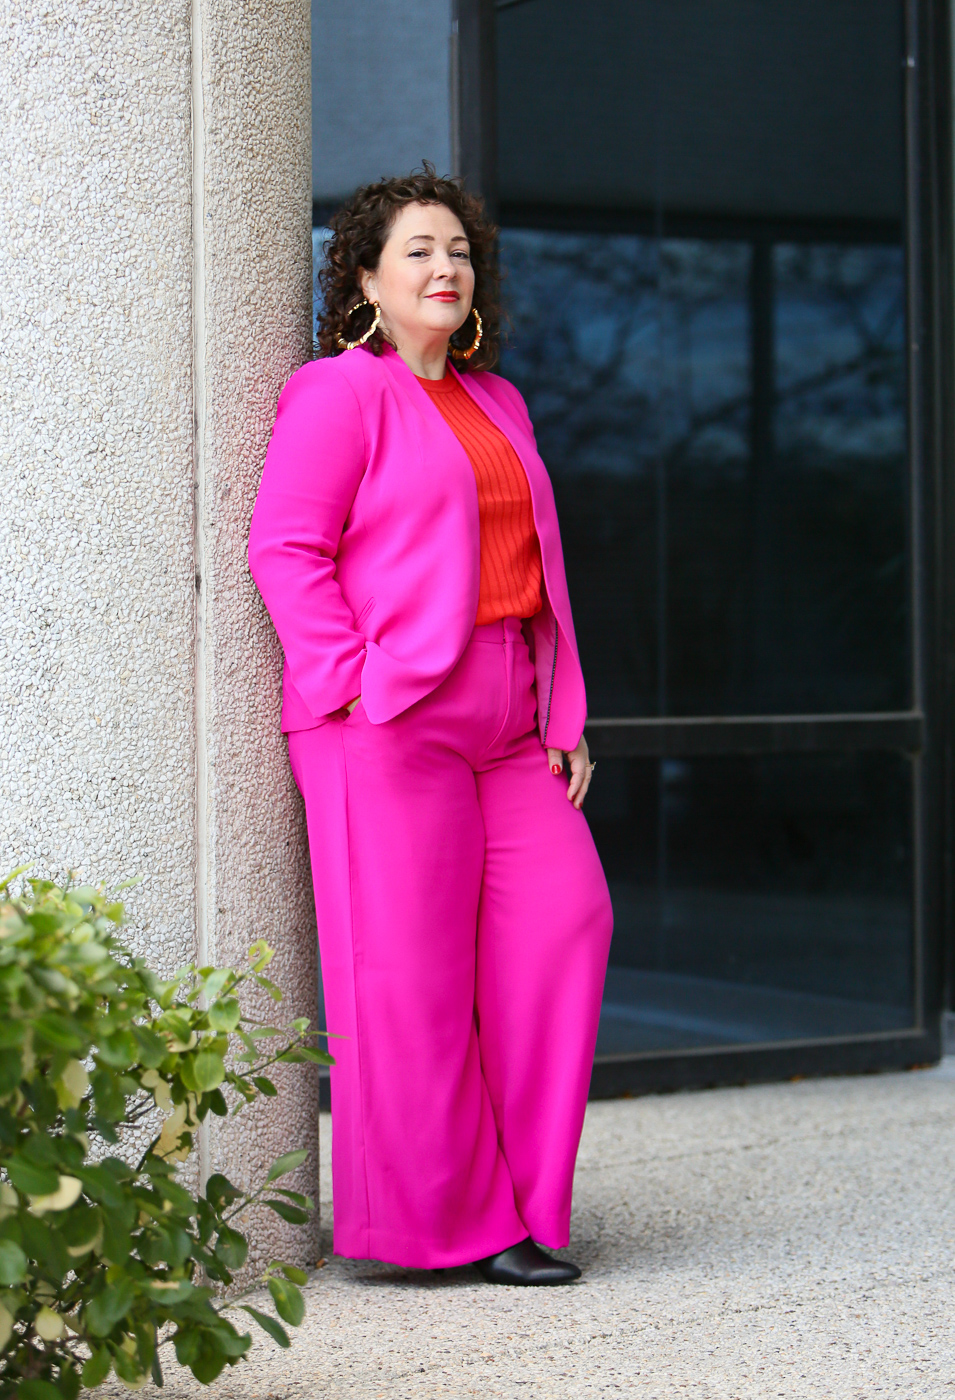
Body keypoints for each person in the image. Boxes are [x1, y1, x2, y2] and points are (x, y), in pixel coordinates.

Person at [248, 164, 613, 1286]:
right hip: (384, 719)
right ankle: (448, 1223)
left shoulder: (499, 400)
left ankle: (524, 1197)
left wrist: (559, 707)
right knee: (403, 976)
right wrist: (351, 683)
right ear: (365, 277)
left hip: (508, 716)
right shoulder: (337, 392)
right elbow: (286, 549)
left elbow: (533, 569)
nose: (444, 266)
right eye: (416, 250)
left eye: (457, 249)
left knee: (568, 920)